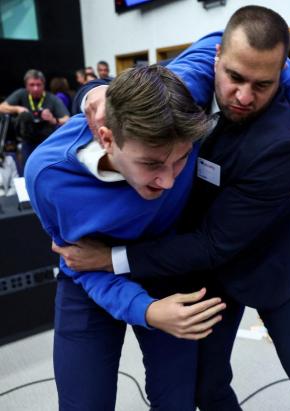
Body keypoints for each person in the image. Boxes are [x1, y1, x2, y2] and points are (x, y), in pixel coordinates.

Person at [55, 6, 290, 410]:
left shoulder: (282, 144)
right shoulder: (189, 82)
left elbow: (215, 242)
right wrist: (92, 93)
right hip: (202, 271)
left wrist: (110, 258)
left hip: (269, 262)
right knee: (205, 387)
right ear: (217, 61)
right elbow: (119, 97)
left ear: (281, 77)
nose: (244, 96)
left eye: (262, 85)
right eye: (234, 78)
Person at [25, 65, 227, 411]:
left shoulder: (179, 91)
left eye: (180, 160)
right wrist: (144, 310)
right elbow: (79, 261)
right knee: (83, 402)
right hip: (91, 277)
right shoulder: (48, 177)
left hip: (165, 266)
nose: (168, 182)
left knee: (177, 399)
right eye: (150, 164)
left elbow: (237, 41)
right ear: (106, 138)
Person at [0, 69, 70, 167]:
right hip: (27, 141)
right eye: (32, 85)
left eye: (38, 85)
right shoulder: (21, 94)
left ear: (44, 85)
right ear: (26, 86)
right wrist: (17, 108)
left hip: (47, 142)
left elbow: (67, 119)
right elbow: (1, 107)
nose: (35, 88)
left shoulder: (51, 98)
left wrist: (53, 119)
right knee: (27, 169)